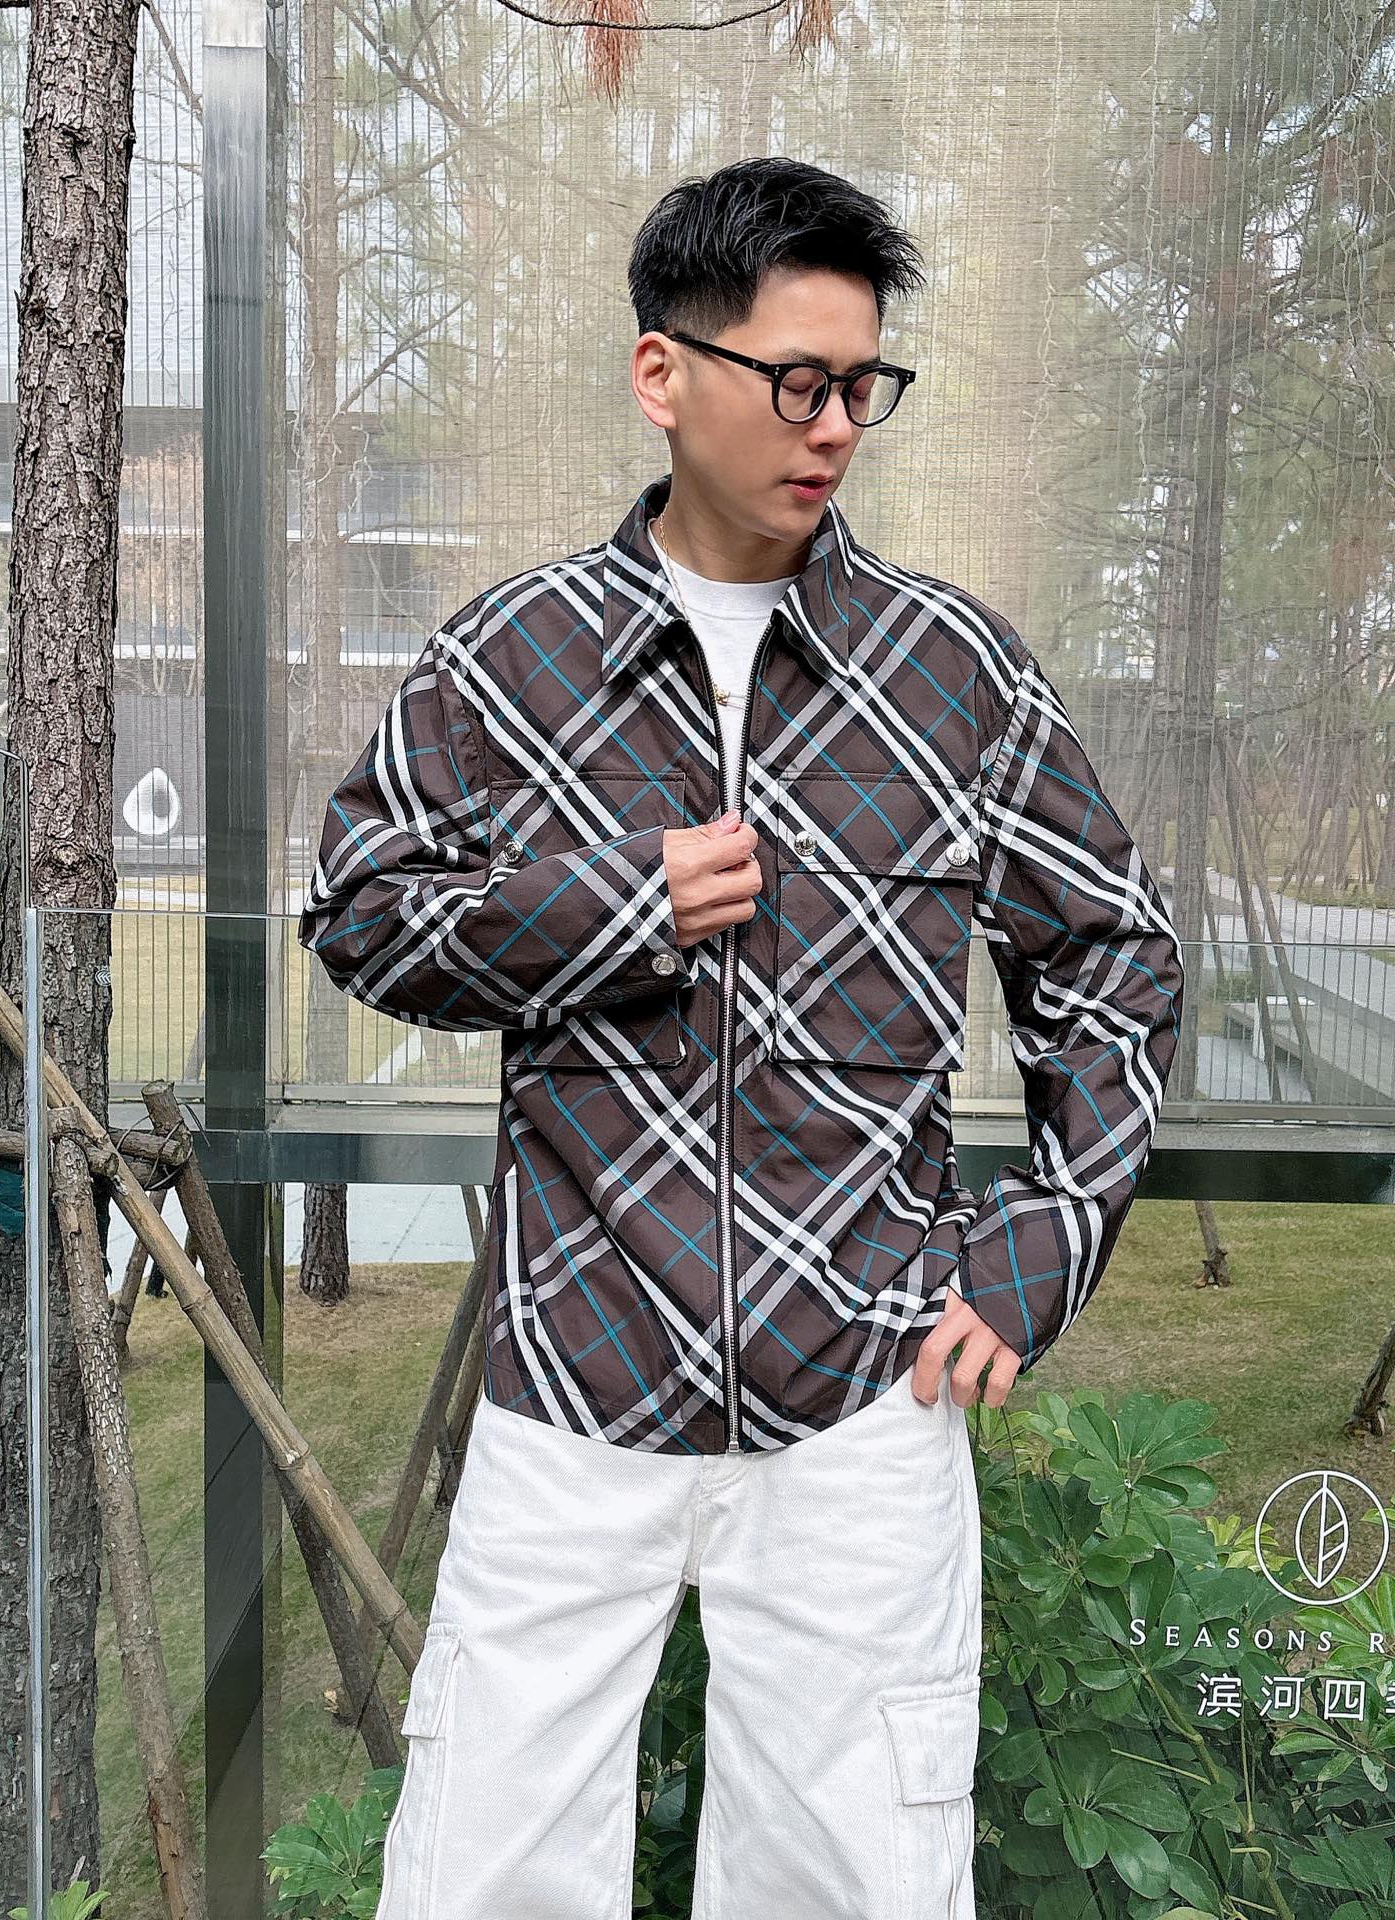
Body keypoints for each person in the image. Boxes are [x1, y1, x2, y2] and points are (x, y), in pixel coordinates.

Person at [298, 156, 1184, 1920]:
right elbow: (359, 911)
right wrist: (614, 907)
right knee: (482, 1880)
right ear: (664, 372)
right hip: (574, 1387)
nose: (835, 426)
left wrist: (1040, 1248)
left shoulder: (956, 674)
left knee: (851, 1886)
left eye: (863, 385)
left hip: (863, 1397)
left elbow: (1112, 960)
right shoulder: (506, 662)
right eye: (795, 381)